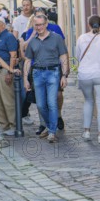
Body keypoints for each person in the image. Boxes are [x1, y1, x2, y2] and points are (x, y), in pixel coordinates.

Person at [23, 14, 69, 143]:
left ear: (46, 24)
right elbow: (27, 61)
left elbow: (63, 56)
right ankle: (50, 127)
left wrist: (64, 75)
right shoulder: (32, 41)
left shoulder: (56, 38)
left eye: (41, 25)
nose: (39, 27)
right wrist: (25, 79)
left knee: (52, 103)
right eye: (36, 25)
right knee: (41, 105)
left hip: (53, 73)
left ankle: (52, 132)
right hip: (37, 74)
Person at [76, 15, 100, 144]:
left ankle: (86, 132)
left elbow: (77, 56)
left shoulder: (81, 38)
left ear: (88, 25)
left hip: (84, 74)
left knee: (88, 101)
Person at [0, 17, 19, 137]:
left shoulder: (9, 36)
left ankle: (13, 125)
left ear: (2, 25)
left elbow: (13, 55)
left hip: (5, 70)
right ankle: (3, 124)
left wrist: (10, 72)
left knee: (8, 100)